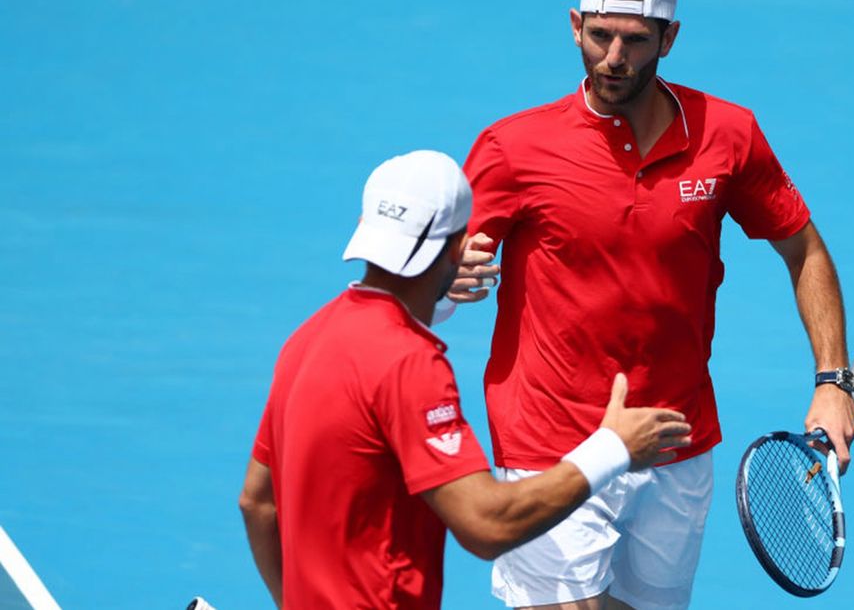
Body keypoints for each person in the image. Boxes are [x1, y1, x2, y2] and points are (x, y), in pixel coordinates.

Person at [448, 0, 854, 610]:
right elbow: (430, 279)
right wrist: (451, 283)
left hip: (675, 440)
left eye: (636, 40)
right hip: (552, 440)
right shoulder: (514, 147)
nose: (614, 56)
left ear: (670, 38)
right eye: (599, 35)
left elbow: (805, 250)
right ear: (575, 26)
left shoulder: (728, 134)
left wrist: (833, 381)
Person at [238, 150, 692, 609]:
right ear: (459, 250)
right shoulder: (407, 361)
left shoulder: (305, 339)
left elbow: (257, 504)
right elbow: (486, 525)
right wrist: (612, 448)